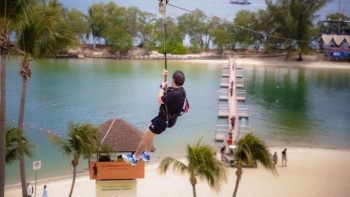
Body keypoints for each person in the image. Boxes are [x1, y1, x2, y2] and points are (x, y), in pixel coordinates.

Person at [123, 69, 186, 166]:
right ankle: (146, 154)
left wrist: (162, 89)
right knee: (148, 132)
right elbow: (166, 89)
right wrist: (163, 77)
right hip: (164, 118)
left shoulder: (175, 94)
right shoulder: (180, 91)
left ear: (173, 80)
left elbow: (159, 100)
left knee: (145, 136)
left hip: (163, 120)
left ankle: (134, 158)